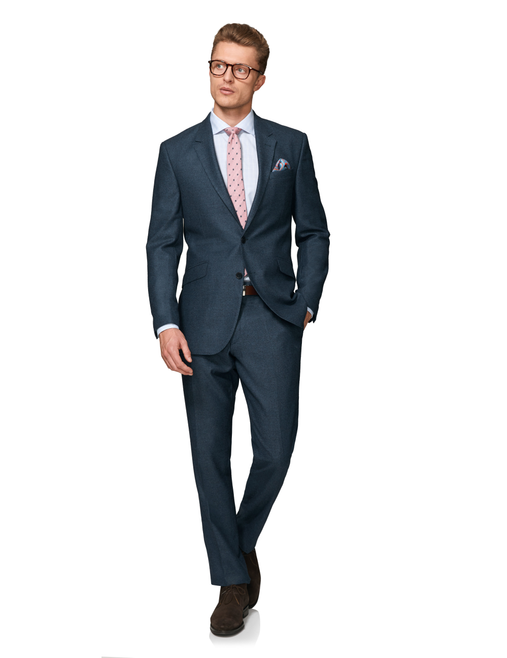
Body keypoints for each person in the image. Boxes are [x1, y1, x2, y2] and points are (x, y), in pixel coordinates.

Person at [146, 23, 330, 636]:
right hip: (200, 324)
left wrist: (306, 302)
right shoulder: (177, 151)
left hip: (272, 317)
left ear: (260, 78)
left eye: (241, 68)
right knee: (209, 456)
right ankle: (231, 582)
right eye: (219, 65)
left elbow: (314, 231)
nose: (227, 77)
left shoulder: (290, 145)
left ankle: (238, 543)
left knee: (275, 448)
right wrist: (165, 321)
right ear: (210, 69)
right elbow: (162, 243)